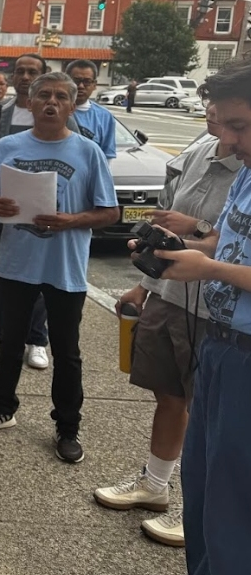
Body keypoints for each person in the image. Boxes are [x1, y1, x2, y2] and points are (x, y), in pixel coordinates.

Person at [93, 103, 238, 548]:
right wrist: (145, 283)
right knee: (168, 395)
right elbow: (173, 228)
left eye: (227, 111)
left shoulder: (245, 162)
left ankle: (200, 511)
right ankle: (155, 485)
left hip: (218, 308)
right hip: (171, 293)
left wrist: (196, 224)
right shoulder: (200, 149)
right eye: (208, 102)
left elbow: (230, 235)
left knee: (211, 416)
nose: (211, 113)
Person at [129, 60, 251, 572]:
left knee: (233, 500)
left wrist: (209, 267)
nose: (225, 140)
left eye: (238, 126)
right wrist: (180, 250)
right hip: (219, 347)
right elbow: (229, 242)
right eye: (219, 124)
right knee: (202, 489)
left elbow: (223, 261)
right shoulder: (245, 176)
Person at [0, 72, 118, 463]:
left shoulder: (89, 153)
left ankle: (67, 426)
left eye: (60, 97)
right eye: (44, 96)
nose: (51, 103)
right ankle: (1, 407)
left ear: (71, 106)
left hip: (64, 268)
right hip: (17, 264)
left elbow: (110, 212)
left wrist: (72, 220)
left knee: (67, 351)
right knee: (10, 342)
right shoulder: (5, 147)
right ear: (30, 103)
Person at [0, 53, 81, 369]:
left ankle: (37, 339)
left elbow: (75, 151)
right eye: (20, 71)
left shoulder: (65, 121)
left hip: (47, 213)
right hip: (8, 210)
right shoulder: (1, 112)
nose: (24, 76)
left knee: (41, 281)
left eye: (31, 71)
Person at [67, 60, 116, 160]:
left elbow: (107, 156)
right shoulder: (53, 110)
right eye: (76, 81)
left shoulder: (104, 117)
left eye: (87, 82)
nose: (80, 86)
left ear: (94, 85)